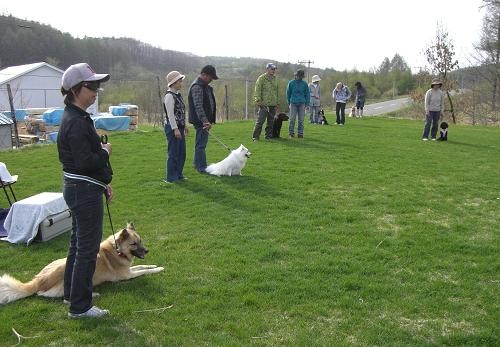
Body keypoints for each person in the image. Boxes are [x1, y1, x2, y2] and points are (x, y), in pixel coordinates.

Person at [57, 63, 112, 318]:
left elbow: (84, 165)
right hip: (83, 191)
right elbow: (85, 162)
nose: (95, 91)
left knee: (78, 243)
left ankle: (72, 293)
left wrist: (104, 182)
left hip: (82, 188)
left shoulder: (76, 117)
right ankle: (80, 306)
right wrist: (104, 152)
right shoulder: (76, 123)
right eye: (91, 87)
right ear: (76, 90)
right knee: (88, 249)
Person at [188, 65, 218, 173]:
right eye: (210, 78)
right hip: (200, 121)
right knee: (201, 145)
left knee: (201, 143)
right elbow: (198, 106)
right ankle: (201, 167)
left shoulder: (204, 85)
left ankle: (198, 164)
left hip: (205, 121)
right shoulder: (197, 86)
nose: (211, 80)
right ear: (204, 75)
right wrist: (205, 121)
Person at [163, 70, 188, 182]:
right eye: (179, 81)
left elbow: (181, 112)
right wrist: (175, 129)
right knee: (173, 153)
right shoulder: (169, 96)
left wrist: (185, 125)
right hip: (173, 128)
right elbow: (170, 115)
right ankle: (171, 177)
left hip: (180, 127)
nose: (181, 83)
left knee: (181, 152)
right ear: (173, 82)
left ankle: (179, 174)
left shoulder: (178, 95)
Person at [252, 63, 279, 141]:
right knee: (260, 121)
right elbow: (257, 90)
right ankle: (255, 137)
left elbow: (276, 91)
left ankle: (268, 136)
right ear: (267, 69)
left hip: (273, 104)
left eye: (274, 69)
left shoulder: (275, 79)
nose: (273, 70)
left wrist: (277, 102)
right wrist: (258, 100)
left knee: (270, 122)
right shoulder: (261, 78)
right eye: (272, 69)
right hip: (263, 104)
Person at [286, 69, 310, 138]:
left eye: (301, 76)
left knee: (301, 120)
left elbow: (307, 94)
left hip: (302, 103)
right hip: (293, 103)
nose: (300, 77)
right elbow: (288, 93)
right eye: (298, 76)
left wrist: (307, 104)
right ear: (295, 75)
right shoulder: (291, 83)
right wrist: (289, 102)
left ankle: (300, 134)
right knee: (292, 119)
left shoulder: (304, 84)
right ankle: (291, 133)